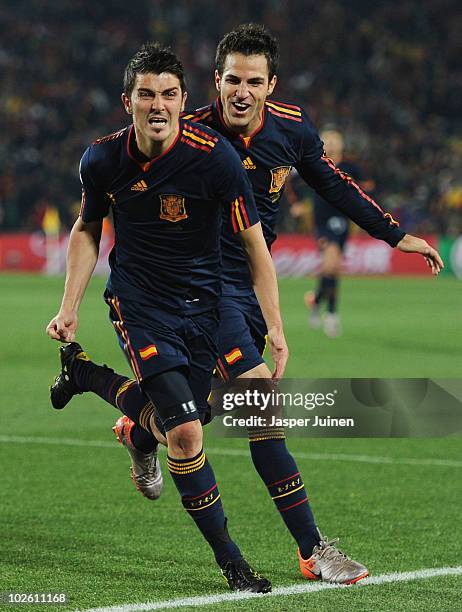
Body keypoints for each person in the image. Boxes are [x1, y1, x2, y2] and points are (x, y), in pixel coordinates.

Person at [49, 25, 443, 587]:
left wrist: (392, 234)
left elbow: (333, 184)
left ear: (270, 86)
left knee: (193, 415)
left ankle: (139, 430)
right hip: (198, 287)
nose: (240, 91)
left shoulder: (291, 130)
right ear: (214, 84)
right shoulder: (190, 135)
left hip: (243, 290)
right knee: (252, 406)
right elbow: (101, 212)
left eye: (253, 81)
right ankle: (313, 550)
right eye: (231, 79)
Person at [46, 41, 291, 593]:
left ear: (184, 100)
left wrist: (274, 327)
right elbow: (87, 230)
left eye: (169, 94)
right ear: (127, 100)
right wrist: (69, 306)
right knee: (184, 433)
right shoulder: (102, 160)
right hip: (140, 305)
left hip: (205, 308)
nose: (158, 105)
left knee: (182, 421)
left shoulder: (215, 160)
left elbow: (255, 247)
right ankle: (232, 561)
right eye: (146, 94)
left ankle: (92, 382)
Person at [303, 127, 374, 337]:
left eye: (335, 141)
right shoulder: (316, 163)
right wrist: (298, 204)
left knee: (331, 269)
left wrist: (356, 192)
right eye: (328, 141)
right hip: (323, 223)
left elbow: (369, 185)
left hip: (342, 222)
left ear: (341, 145)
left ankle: (316, 301)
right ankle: (332, 315)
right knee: (331, 263)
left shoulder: (349, 166)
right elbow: (294, 182)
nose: (332, 144)